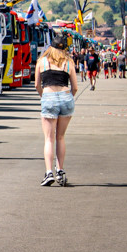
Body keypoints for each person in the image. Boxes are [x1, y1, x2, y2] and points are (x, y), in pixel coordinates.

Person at [35, 33, 78, 186]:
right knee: (60, 137)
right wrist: (68, 97)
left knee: (49, 138)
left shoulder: (42, 62)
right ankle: (60, 170)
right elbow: (75, 87)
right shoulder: (69, 62)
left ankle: (48, 173)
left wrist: (44, 97)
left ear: (50, 47)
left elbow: (37, 85)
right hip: (66, 97)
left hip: (49, 96)